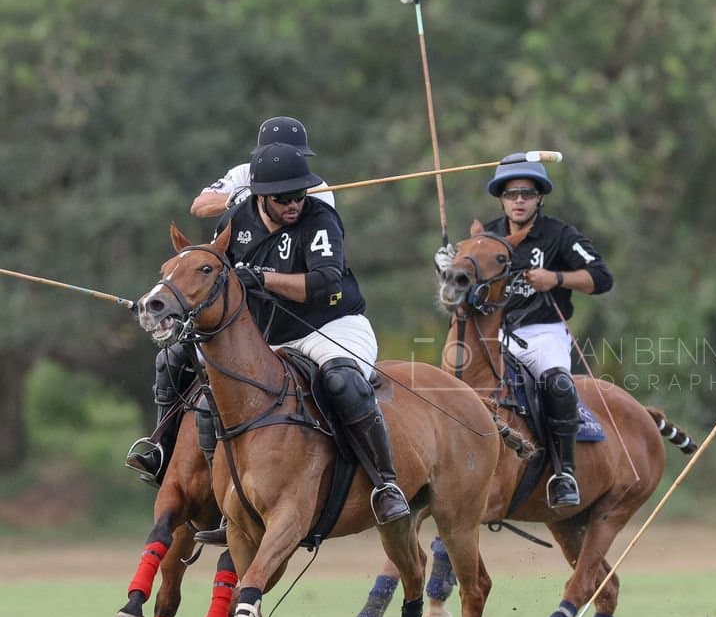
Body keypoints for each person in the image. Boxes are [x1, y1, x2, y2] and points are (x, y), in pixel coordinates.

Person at [129, 143, 410, 526]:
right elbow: (206, 274)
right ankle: (166, 453)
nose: (295, 203)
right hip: (267, 332)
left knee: (344, 382)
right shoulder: (237, 219)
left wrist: (262, 278)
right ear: (261, 196)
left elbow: (326, 284)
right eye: (284, 198)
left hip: (327, 326)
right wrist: (169, 301)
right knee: (174, 363)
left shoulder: (320, 219)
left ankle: (384, 484)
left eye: (300, 193)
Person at [437, 152, 613, 507]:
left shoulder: (559, 235)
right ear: (501, 198)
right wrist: (446, 267)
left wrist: (557, 277)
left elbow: (602, 277)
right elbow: (462, 296)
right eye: (511, 194)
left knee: (558, 382)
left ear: (539, 198)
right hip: (494, 336)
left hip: (543, 333)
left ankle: (564, 473)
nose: (519, 200)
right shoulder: (485, 238)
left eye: (527, 194)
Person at [189, 116, 335, 219]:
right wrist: (232, 200)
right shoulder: (243, 173)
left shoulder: (318, 188)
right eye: (277, 157)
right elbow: (199, 206)